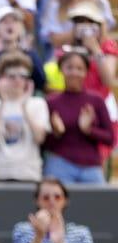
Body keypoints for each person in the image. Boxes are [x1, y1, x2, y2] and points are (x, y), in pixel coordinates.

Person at [44, 48, 114, 183]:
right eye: (69, 67)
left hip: (91, 166)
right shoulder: (51, 101)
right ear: (61, 70)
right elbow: (43, 142)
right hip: (60, 163)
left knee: (100, 203)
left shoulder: (96, 100)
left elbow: (110, 138)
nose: (74, 72)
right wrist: (56, 133)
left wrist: (89, 130)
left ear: (86, 72)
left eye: (79, 68)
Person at [0, 51, 50, 182]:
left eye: (23, 76)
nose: (18, 80)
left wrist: (24, 106)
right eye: (11, 76)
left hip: (28, 174)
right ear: (1, 78)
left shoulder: (38, 104)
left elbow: (39, 138)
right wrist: (2, 102)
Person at [0, 6, 45, 98]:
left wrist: (26, 56)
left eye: (15, 21)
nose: (10, 25)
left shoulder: (30, 54)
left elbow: (40, 81)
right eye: (4, 22)